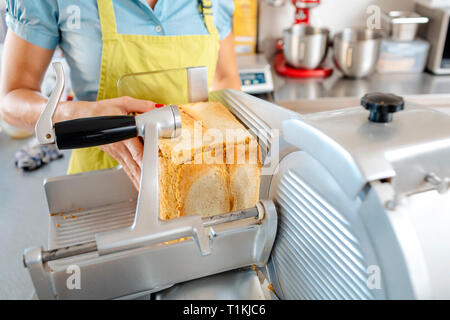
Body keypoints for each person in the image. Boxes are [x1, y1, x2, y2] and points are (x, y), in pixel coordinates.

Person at [0, 0, 241, 190]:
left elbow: (225, 80)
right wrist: (81, 115)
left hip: (196, 183)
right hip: (99, 187)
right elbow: (12, 98)